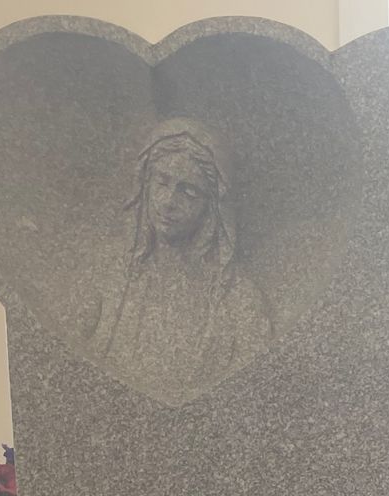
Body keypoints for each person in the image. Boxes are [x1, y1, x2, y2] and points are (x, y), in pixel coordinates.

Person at [90, 118, 273, 395]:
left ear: (211, 208)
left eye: (188, 191)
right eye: (162, 182)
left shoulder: (237, 298)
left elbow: (258, 388)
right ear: (145, 184)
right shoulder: (109, 274)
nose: (168, 202)